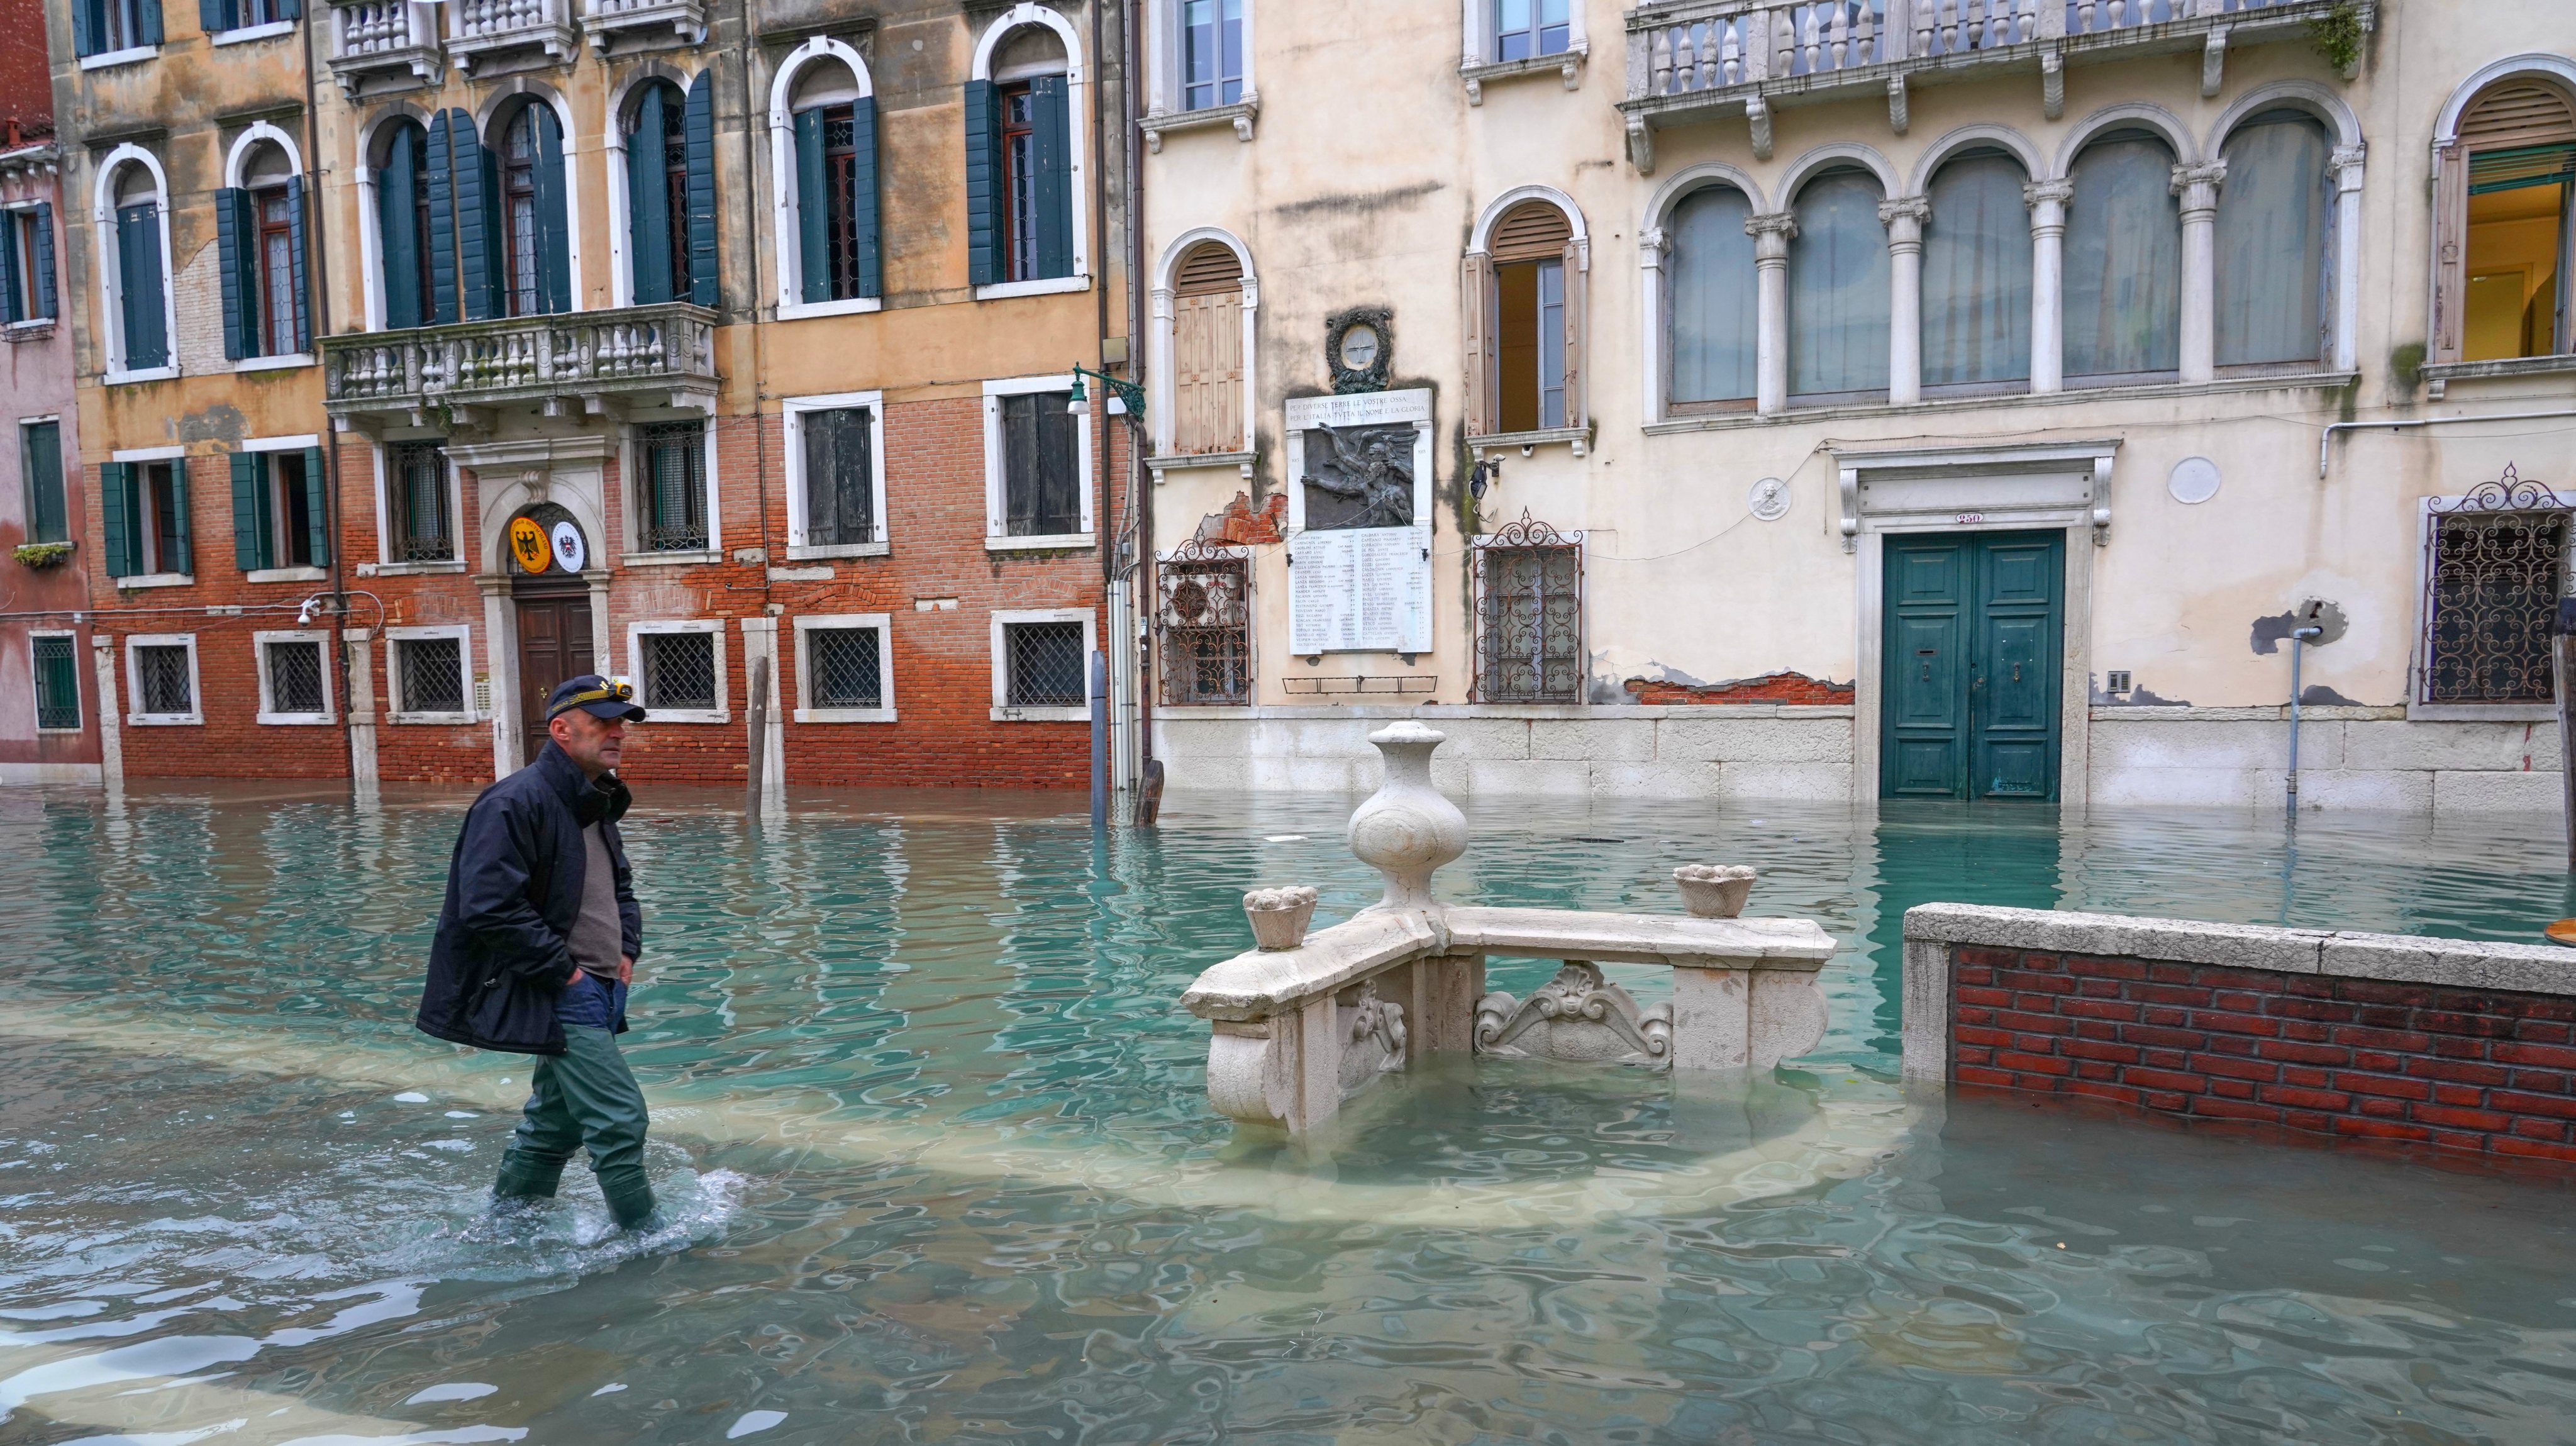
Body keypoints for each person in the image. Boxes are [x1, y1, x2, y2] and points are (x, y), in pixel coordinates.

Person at [416, 674, 658, 1230]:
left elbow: (619, 887)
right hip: (564, 988)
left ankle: (505, 1230)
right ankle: (652, 1247)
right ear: (562, 730)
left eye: (621, 721)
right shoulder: (514, 802)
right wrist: (566, 974)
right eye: (603, 721)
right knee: (620, 1120)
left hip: (602, 984)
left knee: (556, 1125)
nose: (617, 731)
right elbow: (488, 906)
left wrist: (627, 952)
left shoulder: (596, 798)